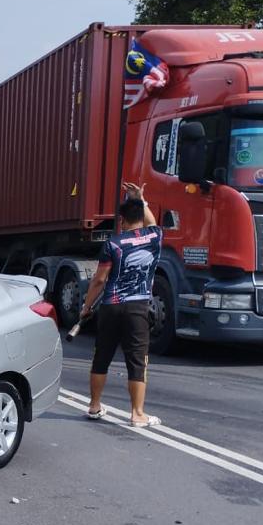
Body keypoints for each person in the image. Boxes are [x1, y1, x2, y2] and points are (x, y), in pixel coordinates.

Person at [82, 181, 162, 427]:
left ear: (122, 220)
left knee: (102, 356)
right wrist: (141, 199)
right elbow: (150, 221)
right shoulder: (155, 236)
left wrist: (86, 306)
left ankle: (94, 406)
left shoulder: (113, 244)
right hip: (138, 307)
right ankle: (137, 414)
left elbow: (99, 280)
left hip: (111, 306)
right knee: (137, 360)